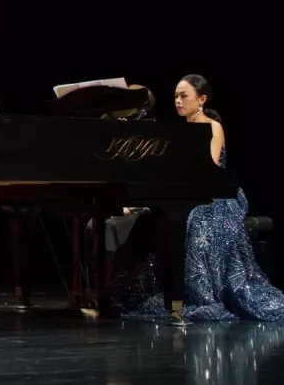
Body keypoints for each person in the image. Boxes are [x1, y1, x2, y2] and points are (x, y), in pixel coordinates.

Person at [110, 74, 284, 322]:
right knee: (152, 221)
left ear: (201, 99)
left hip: (216, 196)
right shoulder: (177, 131)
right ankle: (170, 292)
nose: (178, 101)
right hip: (185, 194)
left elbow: (209, 170)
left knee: (195, 223)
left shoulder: (213, 126)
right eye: (175, 96)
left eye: (184, 96)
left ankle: (200, 295)